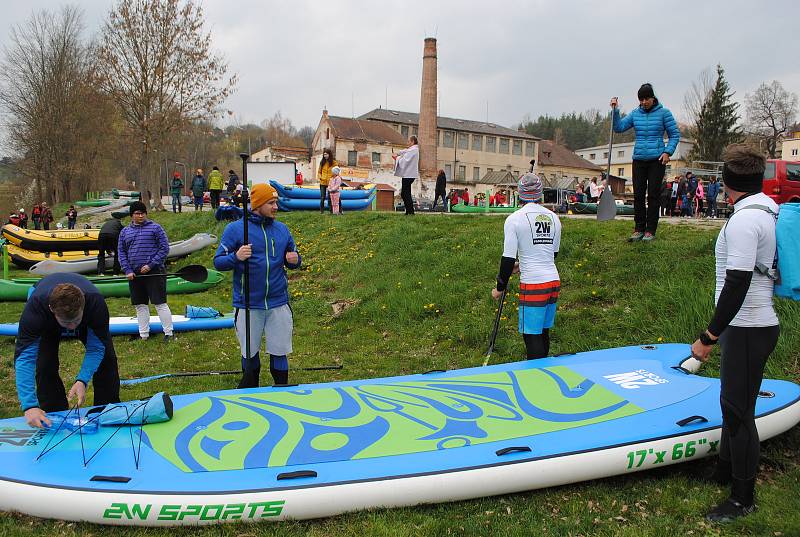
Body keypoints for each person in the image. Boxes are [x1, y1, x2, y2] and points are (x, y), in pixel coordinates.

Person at [689, 144, 779, 523]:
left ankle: (743, 498)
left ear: (727, 183)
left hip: (747, 326)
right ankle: (724, 470)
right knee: (732, 404)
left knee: (739, 413)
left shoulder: (743, 221)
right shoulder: (768, 209)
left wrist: (708, 337)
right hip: (753, 325)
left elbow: (737, 283)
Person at [213, 183, 302, 388]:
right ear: (258, 204)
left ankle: (281, 391)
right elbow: (218, 262)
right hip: (248, 304)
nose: (275, 207)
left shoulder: (282, 229)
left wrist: (295, 260)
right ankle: (250, 393)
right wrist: (236, 257)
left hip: (278, 302)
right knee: (250, 352)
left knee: (280, 351)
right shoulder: (236, 229)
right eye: (271, 203)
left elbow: (296, 258)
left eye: (276, 202)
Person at [14, 273, 120, 428]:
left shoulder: (95, 303)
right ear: (51, 309)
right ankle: (52, 414)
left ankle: (107, 410)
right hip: (47, 318)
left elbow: (97, 348)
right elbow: (25, 357)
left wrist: (82, 379)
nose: (71, 327)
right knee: (44, 364)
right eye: (66, 322)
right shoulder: (36, 308)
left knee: (107, 360)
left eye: (75, 321)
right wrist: (29, 406)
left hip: (84, 312)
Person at [492, 173, 561, 359]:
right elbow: (551, 254)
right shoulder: (554, 218)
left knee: (531, 335)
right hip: (553, 280)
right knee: (543, 331)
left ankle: (535, 379)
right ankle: (544, 375)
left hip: (534, 284)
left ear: (519, 194)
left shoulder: (514, 219)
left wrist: (500, 287)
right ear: (541, 194)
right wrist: (522, 264)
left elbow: (507, 258)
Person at [611, 83, 680, 241]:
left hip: (657, 160)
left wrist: (667, 152)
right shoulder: (635, 114)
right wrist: (615, 111)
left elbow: (674, 135)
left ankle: (650, 230)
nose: (643, 102)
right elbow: (619, 127)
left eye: (646, 99)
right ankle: (639, 229)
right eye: (641, 99)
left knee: (654, 196)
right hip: (639, 159)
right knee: (639, 196)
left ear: (653, 97)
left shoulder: (664, 113)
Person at [117, 201, 174, 342]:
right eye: (137, 213)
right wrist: (127, 270)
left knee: (160, 303)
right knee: (140, 305)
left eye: (143, 213)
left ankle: (169, 333)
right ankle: (144, 335)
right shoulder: (124, 232)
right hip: (134, 274)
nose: (141, 215)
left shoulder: (156, 228)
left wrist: (150, 265)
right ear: (132, 215)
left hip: (155, 271)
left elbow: (164, 248)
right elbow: (121, 252)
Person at [393, 135, 420, 215]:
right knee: (405, 193)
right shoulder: (413, 150)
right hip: (408, 175)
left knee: (405, 193)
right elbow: (405, 151)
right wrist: (398, 153)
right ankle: (409, 211)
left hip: (409, 175)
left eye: (409, 141)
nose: (407, 143)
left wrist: (396, 158)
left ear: (413, 142)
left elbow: (405, 160)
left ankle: (410, 212)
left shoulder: (413, 150)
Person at [318, 149, 336, 214]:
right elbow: (319, 172)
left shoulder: (334, 162)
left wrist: (333, 179)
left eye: (326, 154)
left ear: (329, 154)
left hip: (330, 183)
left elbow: (336, 172)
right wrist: (320, 177)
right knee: (322, 197)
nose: (325, 155)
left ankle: (331, 211)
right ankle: (321, 211)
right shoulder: (322, 162)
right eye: (324, 154)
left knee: (330, 197)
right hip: (322, 182)